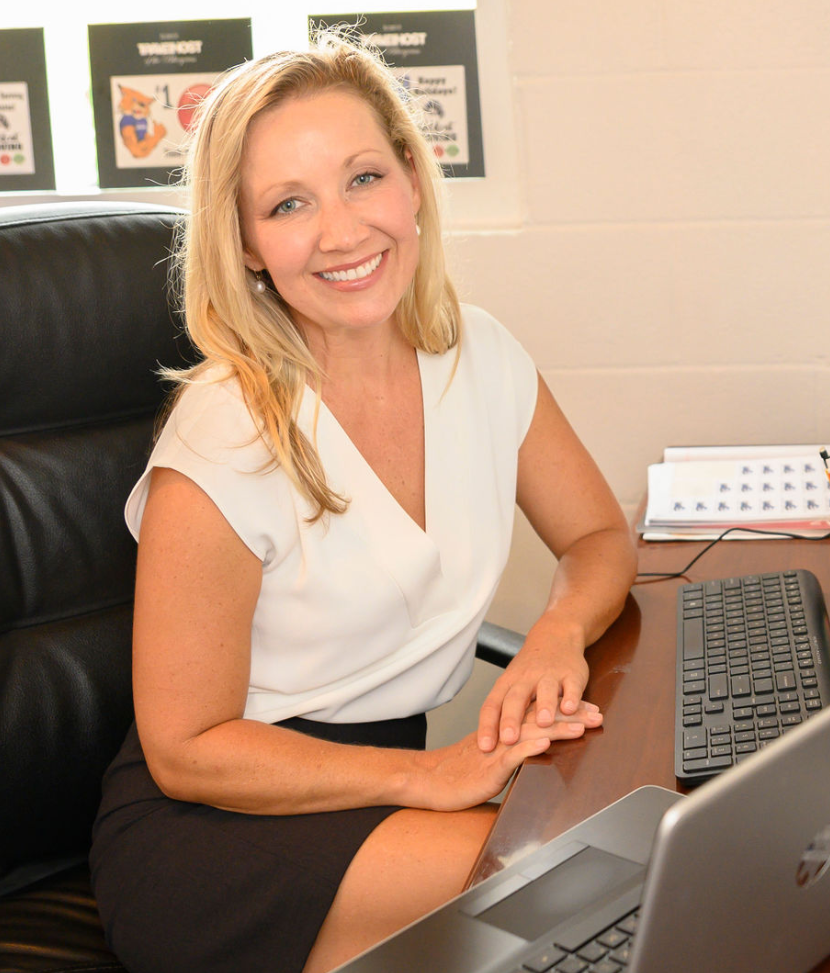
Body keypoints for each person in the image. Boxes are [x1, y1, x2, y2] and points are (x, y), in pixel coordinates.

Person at [88, 32, 637, 973]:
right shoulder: (223, 438)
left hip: (390, 789)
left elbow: (595, 535)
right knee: (596, 881)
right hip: (221, 827)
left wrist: (557, 631)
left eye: (364, 178)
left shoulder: (478, 353)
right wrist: (428, 776)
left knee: (618, 853)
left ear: (413, 182)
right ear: (249, 245)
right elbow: (186, 747)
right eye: (289, 204)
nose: (342, 232)